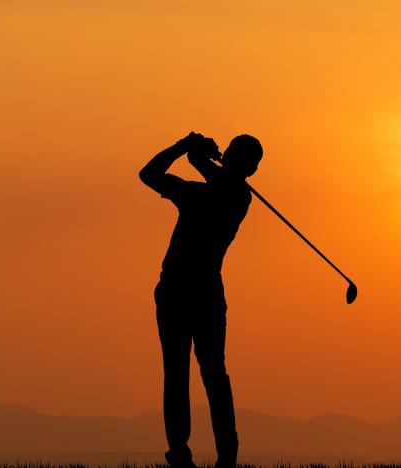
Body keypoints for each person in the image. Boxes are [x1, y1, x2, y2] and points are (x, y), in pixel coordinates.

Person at [139, 132, 262, 468]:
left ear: (249, 170)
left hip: (196, 291)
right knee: (180, 372)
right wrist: (186, 149)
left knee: (209, 372)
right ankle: (181, 453)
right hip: (183, 290)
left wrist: (190, 149)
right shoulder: (201, 192)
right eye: (232, 155)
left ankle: (225, 456)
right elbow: (147, 175)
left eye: (239, 159)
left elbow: (213, 177)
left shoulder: (236, 196)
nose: (232, 161)